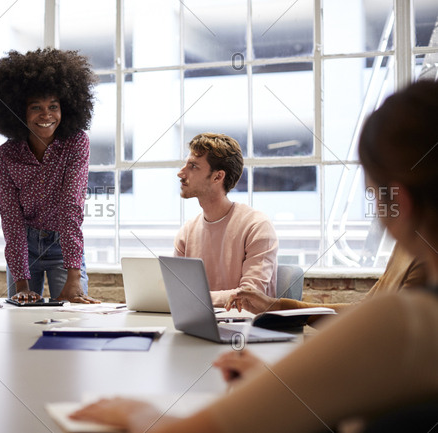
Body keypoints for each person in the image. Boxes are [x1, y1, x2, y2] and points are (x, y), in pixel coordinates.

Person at [70, 81, 438, 432]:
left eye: (373, 193)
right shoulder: (408, 307)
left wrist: (137, 409)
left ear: (399, 202)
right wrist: (283, 379)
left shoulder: (405, 320)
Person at [0, 48, 99, 304]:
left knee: (71, 318)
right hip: (24, 244)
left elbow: (70, 208)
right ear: (19, 112)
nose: (46, 115)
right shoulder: (7, 155)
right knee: (20, 322)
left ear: (65, 108)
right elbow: (11, 218)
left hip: (62, 245)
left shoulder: (76, 143)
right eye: (36, 107)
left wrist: (74, 276)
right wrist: (21, 283)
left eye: (53, 107)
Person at [174, 133, 278, 307]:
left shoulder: (257, 226)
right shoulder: (187, 231)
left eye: (193, 166)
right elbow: (176, 292)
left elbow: (250, 298)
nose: (180, 173)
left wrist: (193, 298)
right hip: (198, 324)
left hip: (247, 330)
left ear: (217, 177)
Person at [225, 243, 426, 325]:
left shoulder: (426, 257)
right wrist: (276, 305)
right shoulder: (407, 243)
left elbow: (386, 332)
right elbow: (362, 311)